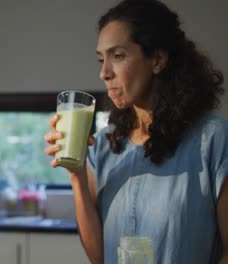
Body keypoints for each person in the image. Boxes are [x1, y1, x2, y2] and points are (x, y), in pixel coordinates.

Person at [44, 0, 227, 263]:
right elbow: (99, 256)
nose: (104, 73)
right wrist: (77, 174)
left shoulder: (213, 139)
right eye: (101, 59)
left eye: (117, 56)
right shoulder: (105, 146)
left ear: (157, 60)